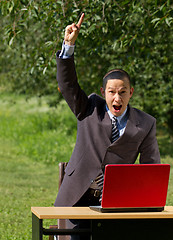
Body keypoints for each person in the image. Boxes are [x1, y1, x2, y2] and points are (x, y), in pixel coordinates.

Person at [54, 13, 160, 240]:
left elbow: (151, 169)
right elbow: (68, 85)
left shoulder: (146, 123)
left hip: (116, 205)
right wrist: (69, 46)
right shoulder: (89, 108)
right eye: (112, 92)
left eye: (123, 92)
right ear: (104, 93)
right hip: (76, 199)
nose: (117, 98)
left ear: (131, 93)